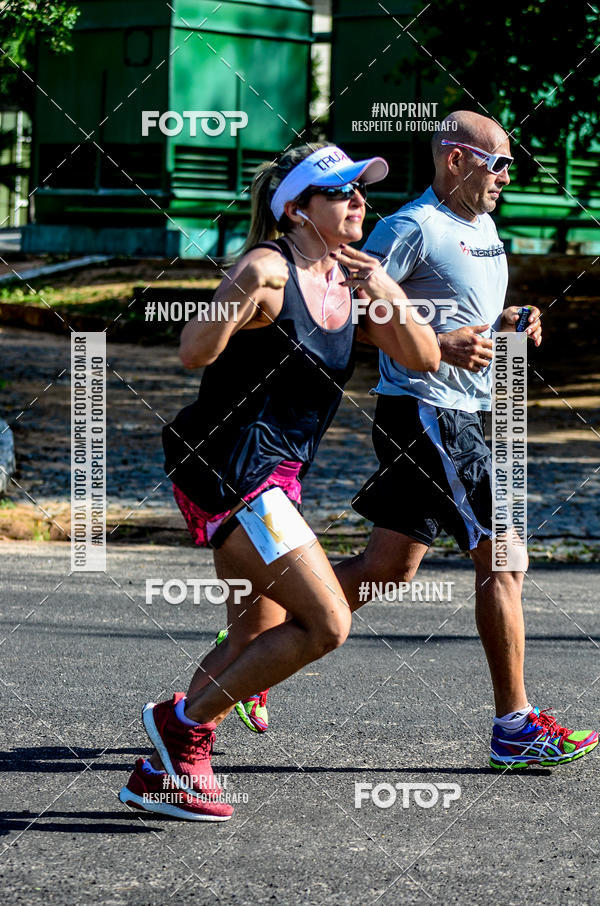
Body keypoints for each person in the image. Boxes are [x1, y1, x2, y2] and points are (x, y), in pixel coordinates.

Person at [118, 142, 441, 820]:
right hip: (230, 466)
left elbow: (424, 356)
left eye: (361, 189)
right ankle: (183, 729)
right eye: (341, 192)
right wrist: (231, 300)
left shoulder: (352, 284)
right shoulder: (268, 268)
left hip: (278, 480)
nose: (359, 201)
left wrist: (384, 291)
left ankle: (159, 773)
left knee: (248, 640)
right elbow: (192, 352)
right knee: (326, 623)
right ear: (295, 208)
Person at [334, 110, 598, 770]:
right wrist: (437, 345)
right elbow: (343, 317)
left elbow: (465, 315)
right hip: (426, 411)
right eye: (498, 162)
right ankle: (514, 726)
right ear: (456, 160)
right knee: (503, 558)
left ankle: (257, 634)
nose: (507, 175)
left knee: (389, 568)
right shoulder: (409, 227)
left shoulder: (482, 226)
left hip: (461, 414)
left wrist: (508, 322)